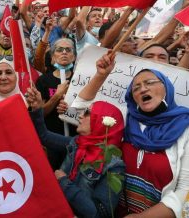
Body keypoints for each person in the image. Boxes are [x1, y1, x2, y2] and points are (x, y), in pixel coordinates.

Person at [73, 52, 189, 217]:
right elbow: (79, 106)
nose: (143, 89)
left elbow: (185, 190)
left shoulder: (185, 128)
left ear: (166, 87)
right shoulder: (126, 119)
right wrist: (101, 75)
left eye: (149, 82)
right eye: (136, 87)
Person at [26, 87, 125, 218]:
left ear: (102, 122)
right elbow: (44, 136)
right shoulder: (77, 143)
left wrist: (63, 182)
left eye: (87, 113)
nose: (80, 115)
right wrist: (37, 108)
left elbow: (100, 214)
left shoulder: (114, 166)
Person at [35, 38, 77, 170]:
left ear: (74, 56)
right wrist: (57, 96)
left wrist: (71, 110)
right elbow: (40, 113)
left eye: (68, 50)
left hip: (75, 141)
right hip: (51, 141)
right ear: (53, 57)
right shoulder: (43, 81)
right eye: (59, 50)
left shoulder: (80, 79)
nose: (64, 52)